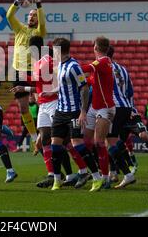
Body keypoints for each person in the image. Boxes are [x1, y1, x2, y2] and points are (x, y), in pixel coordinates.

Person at [11, 36, 90, 189]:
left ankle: (82, 170)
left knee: (65, 141)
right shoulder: (37, 63)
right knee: (46, 140)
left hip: (55, 103)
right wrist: (24, 84)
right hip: (43, 106)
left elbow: (60, 81)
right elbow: (39, 86)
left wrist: (28, 81)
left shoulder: (50, 61)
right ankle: (54, 175)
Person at [80, 36, 136, 189]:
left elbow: (87, 69)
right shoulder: (113, 66)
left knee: (102, 142)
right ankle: (116, 172)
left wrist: (67, 68)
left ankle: (106, 176)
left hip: (107, 107)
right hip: (101, 107)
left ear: (95, 47)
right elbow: (90, 78)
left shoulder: (102, 62)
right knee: (90, 141)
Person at [48, 37, 102, 191]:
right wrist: (50, 91)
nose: (53, 53)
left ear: (60, 50)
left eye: (54, 50)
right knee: (55, 146)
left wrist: (83, 112)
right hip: (60, 111)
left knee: (77, 144)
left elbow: (84, 88)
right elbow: (64, 87)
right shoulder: (60, 66)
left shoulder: (74, 66)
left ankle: (96, 178)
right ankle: (57, 180)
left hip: (73, 112)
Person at [6, 0, 46, 145]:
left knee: (41, 103)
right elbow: (9, 15)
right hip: (17, 71)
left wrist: (38, 5)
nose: (31, 17)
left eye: (34, 16)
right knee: (23, 109)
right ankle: (35, 138)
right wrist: (17, 1)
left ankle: (45, 134)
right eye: (30, 15)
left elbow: (42, 23)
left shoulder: (39, 32)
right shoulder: (20, 29)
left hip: (34, 71)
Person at [105, 46, 137, 187]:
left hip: (114, 107)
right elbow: (130, 91)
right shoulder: (123, 69)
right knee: (113, 141)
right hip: (126, 107)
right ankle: (113, 173)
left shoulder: (104, 67)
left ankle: (126, 173)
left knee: (108, 142)